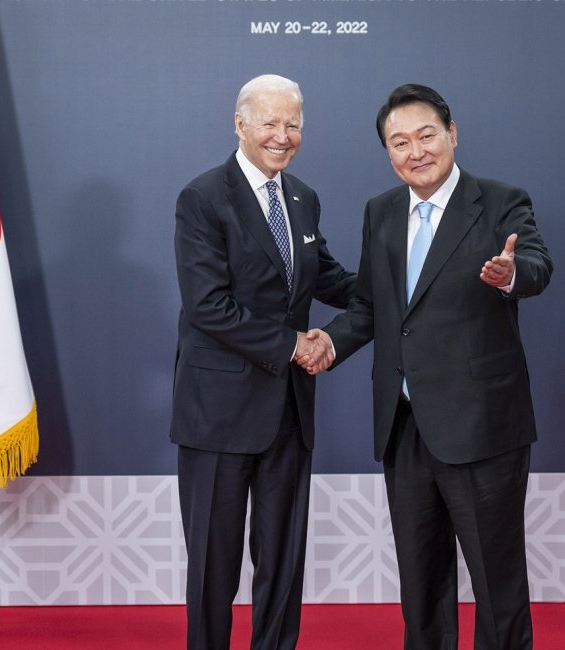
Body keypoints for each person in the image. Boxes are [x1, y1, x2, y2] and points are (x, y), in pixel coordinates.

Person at [303, 83, 552, 649]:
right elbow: (372, 306)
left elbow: (536, 264)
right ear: (388, 152)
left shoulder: (500, 200)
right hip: (404, 424)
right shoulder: (381, 212)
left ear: (452, 134)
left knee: (497, 579)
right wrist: (330, 343)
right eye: (399, 142)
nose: (415, 151)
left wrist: (509, 276)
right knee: (420, 582)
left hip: (481, 424)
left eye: (425, 135)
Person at [171, 74, 353, 650]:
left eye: (293, 123)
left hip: (289, 414)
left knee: (282, 560)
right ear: (240, 124)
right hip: (219, 414)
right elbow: (207, 306)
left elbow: (324, 276)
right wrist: (291, 345)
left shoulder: (302, 197)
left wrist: (399, 285)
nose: (283, 136)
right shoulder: (203, 197)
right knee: (214, 566)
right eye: (270, 123)